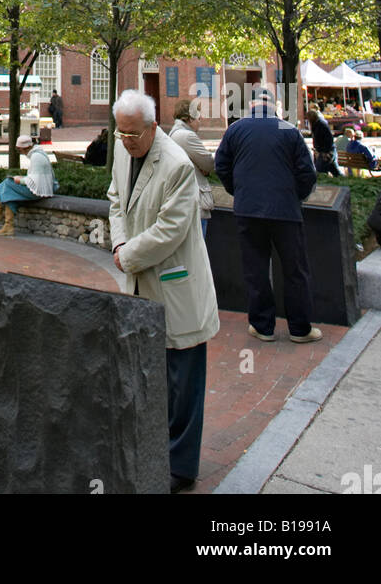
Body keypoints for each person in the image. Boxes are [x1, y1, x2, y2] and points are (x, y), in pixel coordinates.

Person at [107, 88, 219, 494]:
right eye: (121, 134)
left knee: (183, 380)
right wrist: (119, 245)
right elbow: (116, 199)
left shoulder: (177, 165)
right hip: (138, 278)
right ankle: (154, 447)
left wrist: (128, 254)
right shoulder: (123, 147)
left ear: (153, 127)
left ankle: (181, 467)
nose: (126, 141)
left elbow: (170, 231)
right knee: (150, 371)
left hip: (176, 285)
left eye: (134, 134)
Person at [215, 90, 321, 344]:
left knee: (256, 269)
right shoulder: (289, 131)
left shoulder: (235, 129)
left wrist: (238, 191)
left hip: (248, 210)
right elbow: (307, 172)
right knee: (295, 270)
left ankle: (263, 326)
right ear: (275, 106)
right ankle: (300, 328)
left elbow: (221, 166)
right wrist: (296, 196)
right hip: (285, 211)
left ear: (251, 105)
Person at [0, 135, 56, 236]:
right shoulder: (38, 153)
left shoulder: (36, 157)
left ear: (25, 148)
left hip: (39, 191)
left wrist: (20, 180)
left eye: (20, 150)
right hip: (41, 189)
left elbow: (34, 181)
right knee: (9, 192)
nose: (20, 152)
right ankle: (8, 226)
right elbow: (36, 177)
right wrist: (20, 178)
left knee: (7, 183)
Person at [169, 100, 215, 237]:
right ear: (189, 118)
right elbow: (209, 164)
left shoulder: (174, 133)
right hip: (194, 204)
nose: (201, 121)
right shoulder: (186, 136)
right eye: (198, 118)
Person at [308, 107, 340, 176]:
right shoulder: (316, 125)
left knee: (320, 171)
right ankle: (342, 180)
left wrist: (326, 152)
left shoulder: (321, 125)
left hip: (326, 151)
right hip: (323, 151)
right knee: (333, 170)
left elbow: (329, 139)